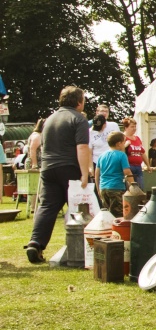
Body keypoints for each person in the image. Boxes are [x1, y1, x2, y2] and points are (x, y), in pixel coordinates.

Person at [23, 86, 91, 264]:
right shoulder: (79, 119)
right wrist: (85, 173)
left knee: (47, 207)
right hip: (69, 167)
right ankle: (86, 249)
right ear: (78, 102)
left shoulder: (49, 119)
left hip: (48, 168)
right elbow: (82, 147)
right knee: (81, 207)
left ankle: (35, 243)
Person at [95, 131, 134, 217]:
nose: (125, 143)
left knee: (107, 214)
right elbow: (127, 172)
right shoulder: (122, 155)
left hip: (103, 188)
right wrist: (133, 186)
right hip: (116, 188)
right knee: (118, 215)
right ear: (119, 144)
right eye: (124, 142)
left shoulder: (102, 156)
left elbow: (97, 174)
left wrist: (98, 189)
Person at [120, 118, 150, 189]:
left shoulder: (137, 138)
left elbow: (142, 153)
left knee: (140, 188)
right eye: (132, 127)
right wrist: (125, 145)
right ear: (126, 127)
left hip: (138, 167)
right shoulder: (122, 138)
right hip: (128, 166)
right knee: (130, 189)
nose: (134, 128)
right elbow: (118, 151)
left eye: (135, 126)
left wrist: (148, 165)